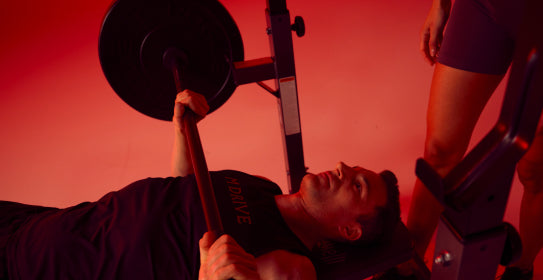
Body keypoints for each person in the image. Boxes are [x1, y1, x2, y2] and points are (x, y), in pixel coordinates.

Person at [0, 90, 401, 280]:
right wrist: (181, 133)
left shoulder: (290, 267)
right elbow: (180, 192)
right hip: (45, 225)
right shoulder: (260, 186)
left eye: (358, 186)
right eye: (353, 168)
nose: (343, 167)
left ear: (349, 229)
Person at [375, 0, 542, 279]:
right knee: (439, 151)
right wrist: (440, 4)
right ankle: (408, 264)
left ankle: (520, 269)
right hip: (484, 7)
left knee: (535, 169)